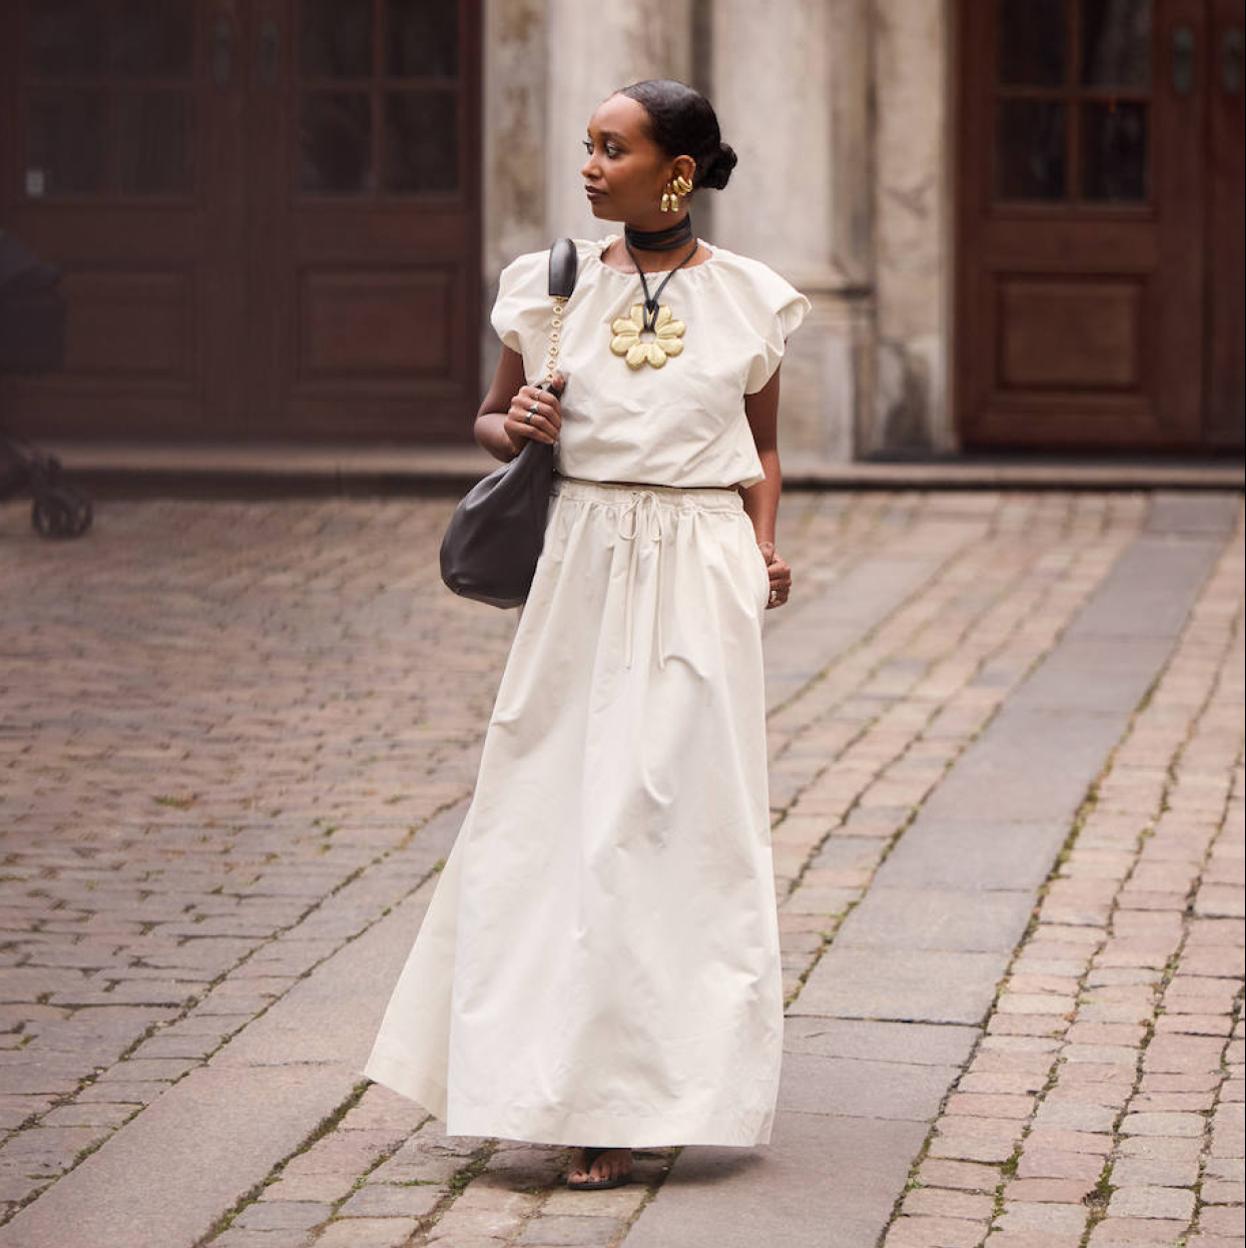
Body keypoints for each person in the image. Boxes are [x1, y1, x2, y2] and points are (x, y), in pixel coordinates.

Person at [362, 78, 812, 1192]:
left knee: (670, 826)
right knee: (547, 820)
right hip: (579, 569)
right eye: (588, 146)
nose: (590, 167)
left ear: (678, 171)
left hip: (699, 571)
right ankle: (553, 1085)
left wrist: (763, 547)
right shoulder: (548, 285)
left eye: (614, 149)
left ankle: (647, 1093)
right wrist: (510, 423)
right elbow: (490, 420)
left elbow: (761, 451)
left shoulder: (751, 299)